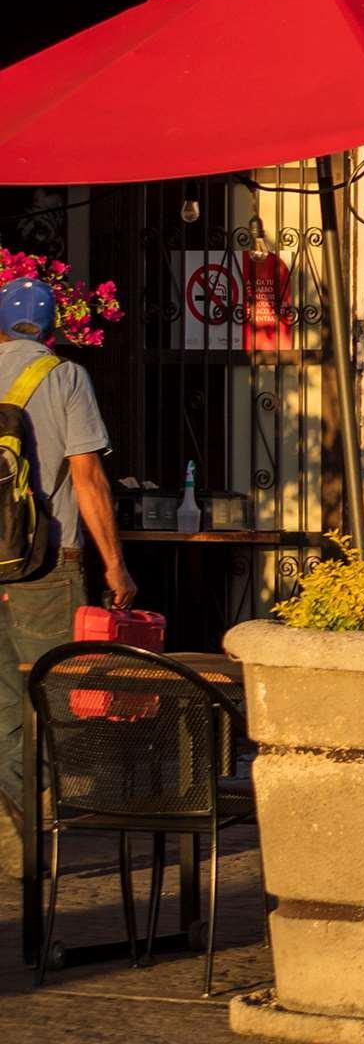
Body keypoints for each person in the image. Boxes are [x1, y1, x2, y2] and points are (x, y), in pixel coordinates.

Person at [0, 276, 127, 833]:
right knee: (58, 693)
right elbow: (89, 478)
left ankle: (17, 814)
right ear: (52, 329)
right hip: (49, 562)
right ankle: (37, 809)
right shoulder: (65, 377)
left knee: (2, 699)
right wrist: (115, 564)